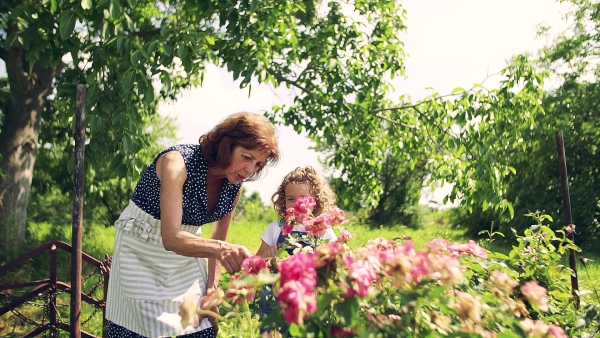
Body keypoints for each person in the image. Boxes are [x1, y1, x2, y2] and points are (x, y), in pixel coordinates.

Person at [105, 112, 280, 338]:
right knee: (145, 329)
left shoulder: (234, 185)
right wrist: (221, 249)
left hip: (189, 249)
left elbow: (219, 237)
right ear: (226, 145)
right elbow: (171, 237)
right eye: (246, 157)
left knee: (198, 326)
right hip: (143, 247)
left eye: (258, 164)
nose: (249, 170)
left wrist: (211, 288)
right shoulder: (176, 163)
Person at [256, 165, 337, 258]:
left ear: (315, 201)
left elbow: (335, 259)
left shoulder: (323, 229)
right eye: (291, 199)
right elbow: (255, 261)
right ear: (283, 200)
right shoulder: (275, 228)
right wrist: (267, 254)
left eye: (303, 198)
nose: (297, 204)